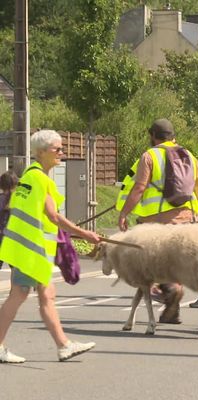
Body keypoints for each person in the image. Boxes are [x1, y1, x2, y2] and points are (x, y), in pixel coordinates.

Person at [0, 130, 100, 363]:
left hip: (27, 248)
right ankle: (62, 345)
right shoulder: (40, 178)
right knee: (22, 296)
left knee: (43, 295)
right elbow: (53, 216)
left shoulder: (30, 175)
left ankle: (63, 345)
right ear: (42, 152)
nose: (62, 153)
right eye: (58, 149)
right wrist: (84, 233)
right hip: (30, 249)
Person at [116, 118, 198, 321]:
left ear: (152, 136)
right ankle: (173, 311)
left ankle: (171, 291)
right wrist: (196, 213)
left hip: (156, 221)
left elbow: (139, 187)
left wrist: (124, 213)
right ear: (173, 136)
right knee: (174, 260)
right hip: (185, 217)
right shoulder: (189, 155)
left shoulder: (149, 156)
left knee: (151, 262)